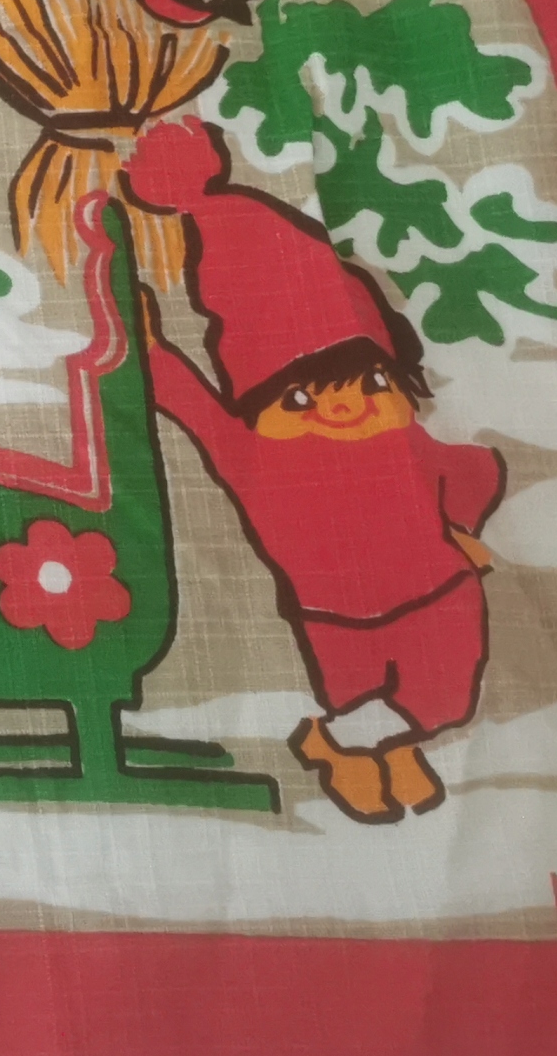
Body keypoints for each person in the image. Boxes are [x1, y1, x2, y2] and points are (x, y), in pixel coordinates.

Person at [125, 117, 506, 825]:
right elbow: (195, 407)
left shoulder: (403, 439)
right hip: (336, 617)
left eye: (368, 382)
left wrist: (461, 528)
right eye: (301, 397)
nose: (343, 407)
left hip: (440, 592)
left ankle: (392, 746)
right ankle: (341, 751)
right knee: (355, 697)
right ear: (261, 404)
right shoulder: (251, 450)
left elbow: (463, 471)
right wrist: (148, 348)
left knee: (446, 694)